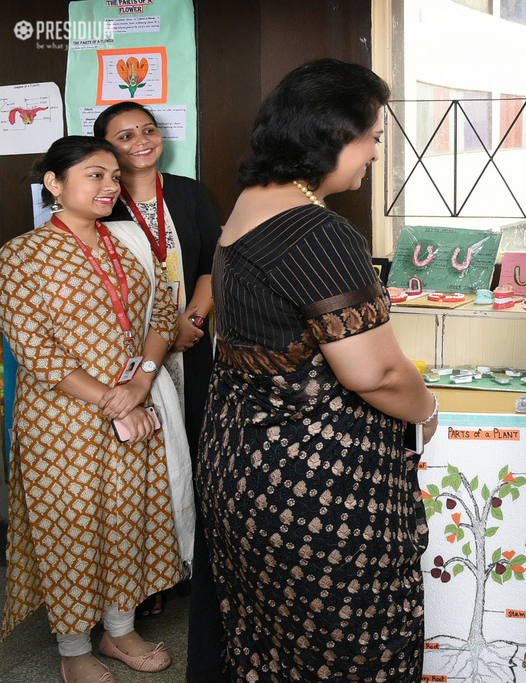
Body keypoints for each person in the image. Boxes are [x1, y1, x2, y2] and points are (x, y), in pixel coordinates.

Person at [196, 58, 439, 682]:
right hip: (316, 490)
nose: (376, 155)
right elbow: (375, 374)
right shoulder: (317, 233)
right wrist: (427, 408)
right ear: (332, 136)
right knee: (351, 648)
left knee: (269, 644)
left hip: (243, 471)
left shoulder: (248, 206)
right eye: (374, 138)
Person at [0, 136, 184, 682]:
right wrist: (112, 398)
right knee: (71, 529)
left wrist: (141, 383)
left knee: (129, 518)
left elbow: (164, 315)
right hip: (62, 422)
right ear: (54, 185)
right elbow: (34, 349)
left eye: (113, 176)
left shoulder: (126, 245)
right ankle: (74, 647)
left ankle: (119, 629)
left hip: (131, 411)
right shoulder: (19, 255)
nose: (110, 186)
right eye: (94, 175)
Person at [93, 101, 224, 681]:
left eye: (148, 130)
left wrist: (191, 321)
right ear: (105, 149)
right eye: (125, 135)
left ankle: (192, 567)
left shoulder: (190, 192)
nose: (141, 141)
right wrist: (155, 334)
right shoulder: (99, 197)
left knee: (193, 449)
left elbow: (213, 260)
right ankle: (144, 581)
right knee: (143, 462)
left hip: (190, 345)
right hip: (126, 354)